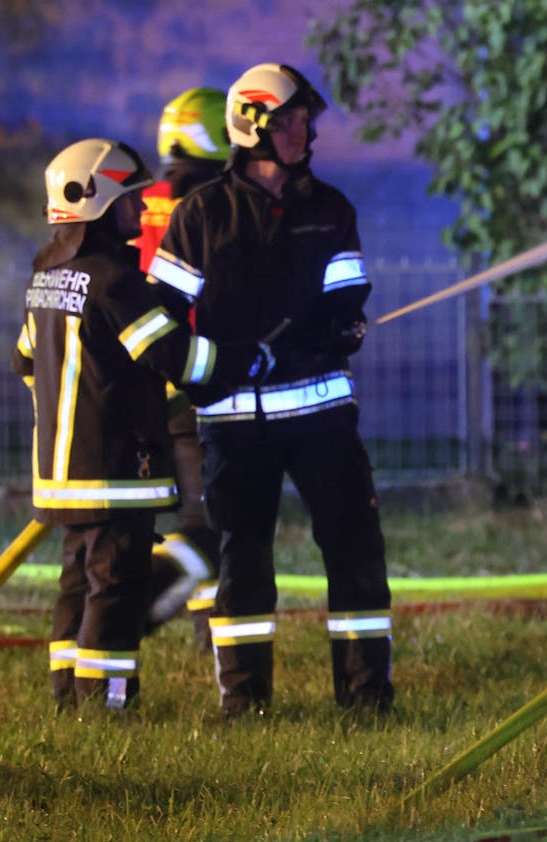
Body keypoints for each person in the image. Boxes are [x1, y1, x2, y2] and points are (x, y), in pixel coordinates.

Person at [148, 63, 393, 718]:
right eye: (289, 118)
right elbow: (161, 319)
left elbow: (348, 294)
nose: (303, 129)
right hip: (232, 421)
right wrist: (212, 366)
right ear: (252, 125)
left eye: (305, 118)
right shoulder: (201, 215)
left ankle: (367, 698)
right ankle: (245, 703)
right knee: (241, 561)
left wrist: (341, 328)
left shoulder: (331, 210)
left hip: (321, 415)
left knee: (356, 550)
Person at [17, 138, 267, 712]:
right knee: (116, 592)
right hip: (114, 473)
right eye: (131, 197)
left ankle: (67, 699)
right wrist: (242, 361)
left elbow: (27, 362)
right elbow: (175, 357)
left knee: (76, 587)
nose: (143, 208)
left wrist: (71, 405)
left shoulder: (46, 280)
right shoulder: (116, 283)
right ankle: (108, 704)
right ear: (99, 201)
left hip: (61, 474)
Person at [139, 87, 231, 644]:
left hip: (146, 380)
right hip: (203, 378)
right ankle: (198, 627)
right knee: (209, 518)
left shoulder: (142, 199)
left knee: (158, 517)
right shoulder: (217, 203)